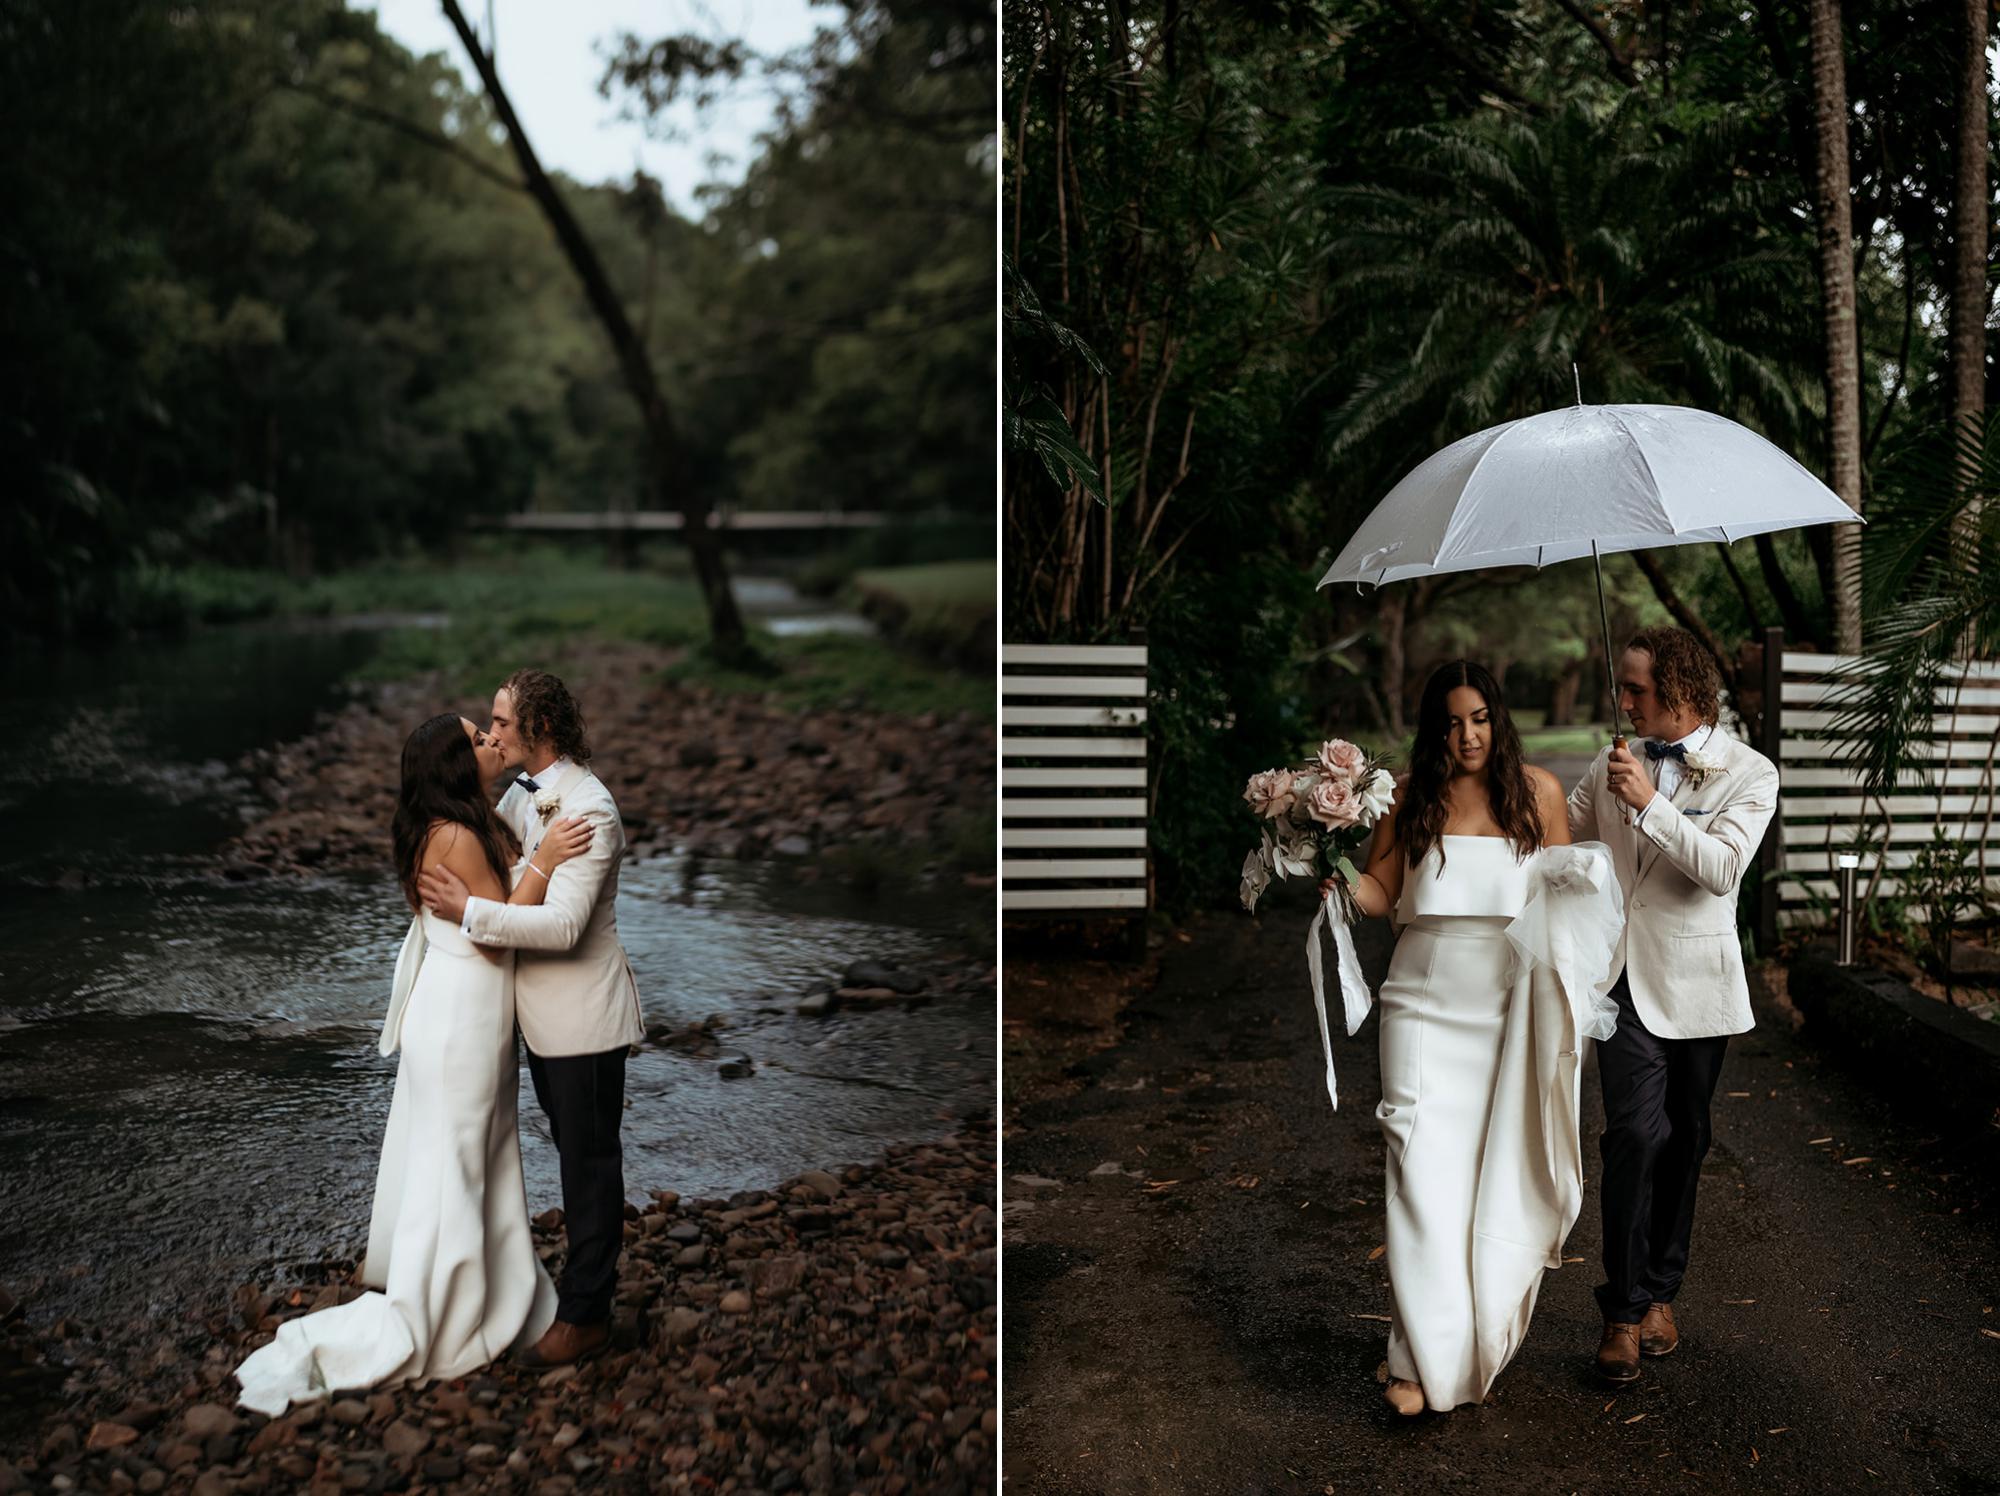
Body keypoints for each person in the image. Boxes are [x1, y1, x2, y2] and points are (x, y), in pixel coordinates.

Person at [234, 716, 595, 1414]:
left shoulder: (455, 822)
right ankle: (446, 1304)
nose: (492, 742)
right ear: (457, 765)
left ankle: (482, 1285)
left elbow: (482, 912)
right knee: (459, 1156)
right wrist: (547, 858)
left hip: (460, 1007)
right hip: (463, 1014)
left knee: (467, 1152)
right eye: (478, 739)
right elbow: (498, 933)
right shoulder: (455, 835)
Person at [1327, 660, 1621, 1415]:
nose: (1468, 736)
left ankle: (1461, 1345)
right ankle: (1415, 1363)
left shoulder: (1538, 794)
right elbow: (1382, 891)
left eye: (1481, 719)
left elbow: (1569, 910)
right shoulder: (1407, 796)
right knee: (1418, 1162)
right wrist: (1328, 863)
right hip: (1421, 996)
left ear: (1499, 719)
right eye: (1454, 722)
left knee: (1489, 1172)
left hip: (1509, 1003)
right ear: (1436, 728)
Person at [1567, 627, 1778, 1385]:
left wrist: (1650, 803)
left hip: (1698, 987)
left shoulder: (1751, 772)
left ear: (1681, 690)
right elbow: (1558, 834)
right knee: (1633, 1134)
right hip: (1620, 981)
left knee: (1686, 1139)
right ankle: (1622, 1312)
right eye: (1623, 687)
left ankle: (1661, 1294)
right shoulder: (1612, 761)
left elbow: (1721, 870)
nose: (1623, 702)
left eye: (1636, 689)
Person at [419, 669, 645, 1369]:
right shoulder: (521, 793)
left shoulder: (589, 809)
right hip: (534, 1017)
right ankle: (562, 1292)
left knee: (589, 1165)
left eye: (502, 723)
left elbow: (563, 926)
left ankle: (585, 1318)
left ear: (540, 729)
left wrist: (468, 914)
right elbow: (514, 877)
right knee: (573, 1155)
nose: (492, 735)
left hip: (582, 1018)